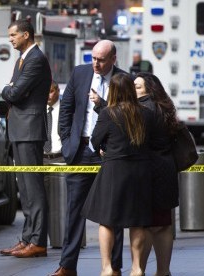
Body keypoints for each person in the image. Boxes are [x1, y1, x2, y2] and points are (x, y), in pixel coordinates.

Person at [52, 40, 125, 276]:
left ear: (113, 59)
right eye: (93, 58)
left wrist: (102, 105)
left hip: (110, 154)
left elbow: (125, 116)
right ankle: (67, 265)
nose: (96, 63)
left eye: (101, 59)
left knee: (114, 212)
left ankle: (114, 266)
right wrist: (66, 142)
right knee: (74, 211)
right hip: (81, 151)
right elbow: (66, 109)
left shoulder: (123, 80)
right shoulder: (80, 73)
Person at [82, 73, 155, 276]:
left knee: (107, 221)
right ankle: (137, 267)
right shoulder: (147, 113)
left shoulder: (108, 113)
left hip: (114, 171)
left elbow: (95, 141)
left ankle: (107, 267)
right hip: (140, 172)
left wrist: (105, 148)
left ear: (113, 91)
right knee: (138, 221)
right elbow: (153, 142)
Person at [0, 19, 52, 258]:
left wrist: (9, 90)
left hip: (29, 130)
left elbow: (14, 92)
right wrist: (12, 90)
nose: (10, 39)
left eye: (13, 35)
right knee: (24, 187)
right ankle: (27, 238)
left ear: (26, 35)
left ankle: (38, 241)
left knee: (33, 187)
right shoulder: (23, 59)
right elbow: (14, 92)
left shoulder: (35, 60)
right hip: (20, 129)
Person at [135, 72, 180, 276]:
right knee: (163, 224)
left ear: (148, 89)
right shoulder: (166, 107)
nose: (133, 90)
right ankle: (163, 271)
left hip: (149, 174)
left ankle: (139, 270)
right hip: (167, 170)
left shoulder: (143, 109)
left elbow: (136, 142)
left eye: (137, 87)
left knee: (145, 225)